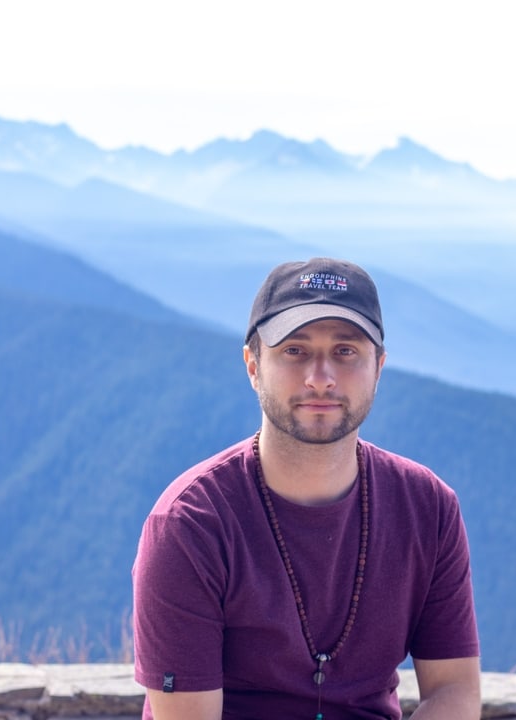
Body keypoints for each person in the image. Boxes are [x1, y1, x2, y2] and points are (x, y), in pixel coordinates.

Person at [132, 258, 480, 720]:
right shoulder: (189, 524)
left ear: (378, 367)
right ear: (253, 365)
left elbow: (454, 689)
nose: (320, 377)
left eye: (345, 351)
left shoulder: (428, 507)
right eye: (295, 350)